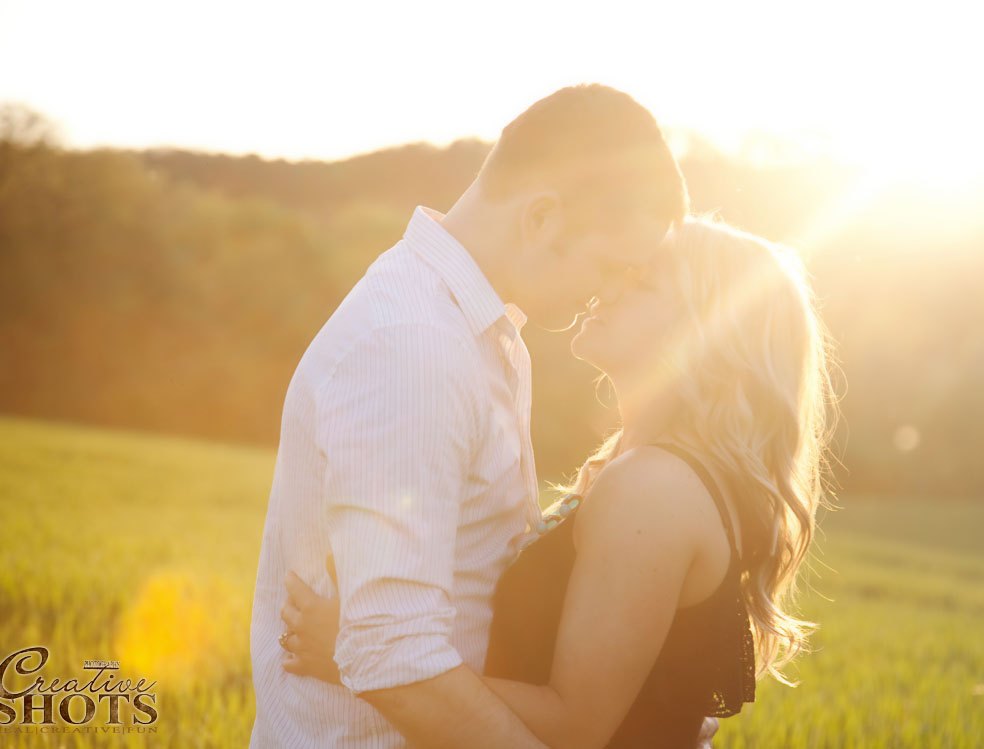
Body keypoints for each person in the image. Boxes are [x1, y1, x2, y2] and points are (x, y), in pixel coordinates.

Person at [280, 215, 838, 747]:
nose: (605, 289)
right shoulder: (643, 467)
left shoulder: (654, 488)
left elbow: (575, 728)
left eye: (640, 281)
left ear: (710, 329)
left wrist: (365, 660)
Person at [248, 83, 688, 748]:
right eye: (608, 263)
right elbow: (394, 655)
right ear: (541, 216)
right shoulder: (412, 345)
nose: (608, 289)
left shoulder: (485, 333)